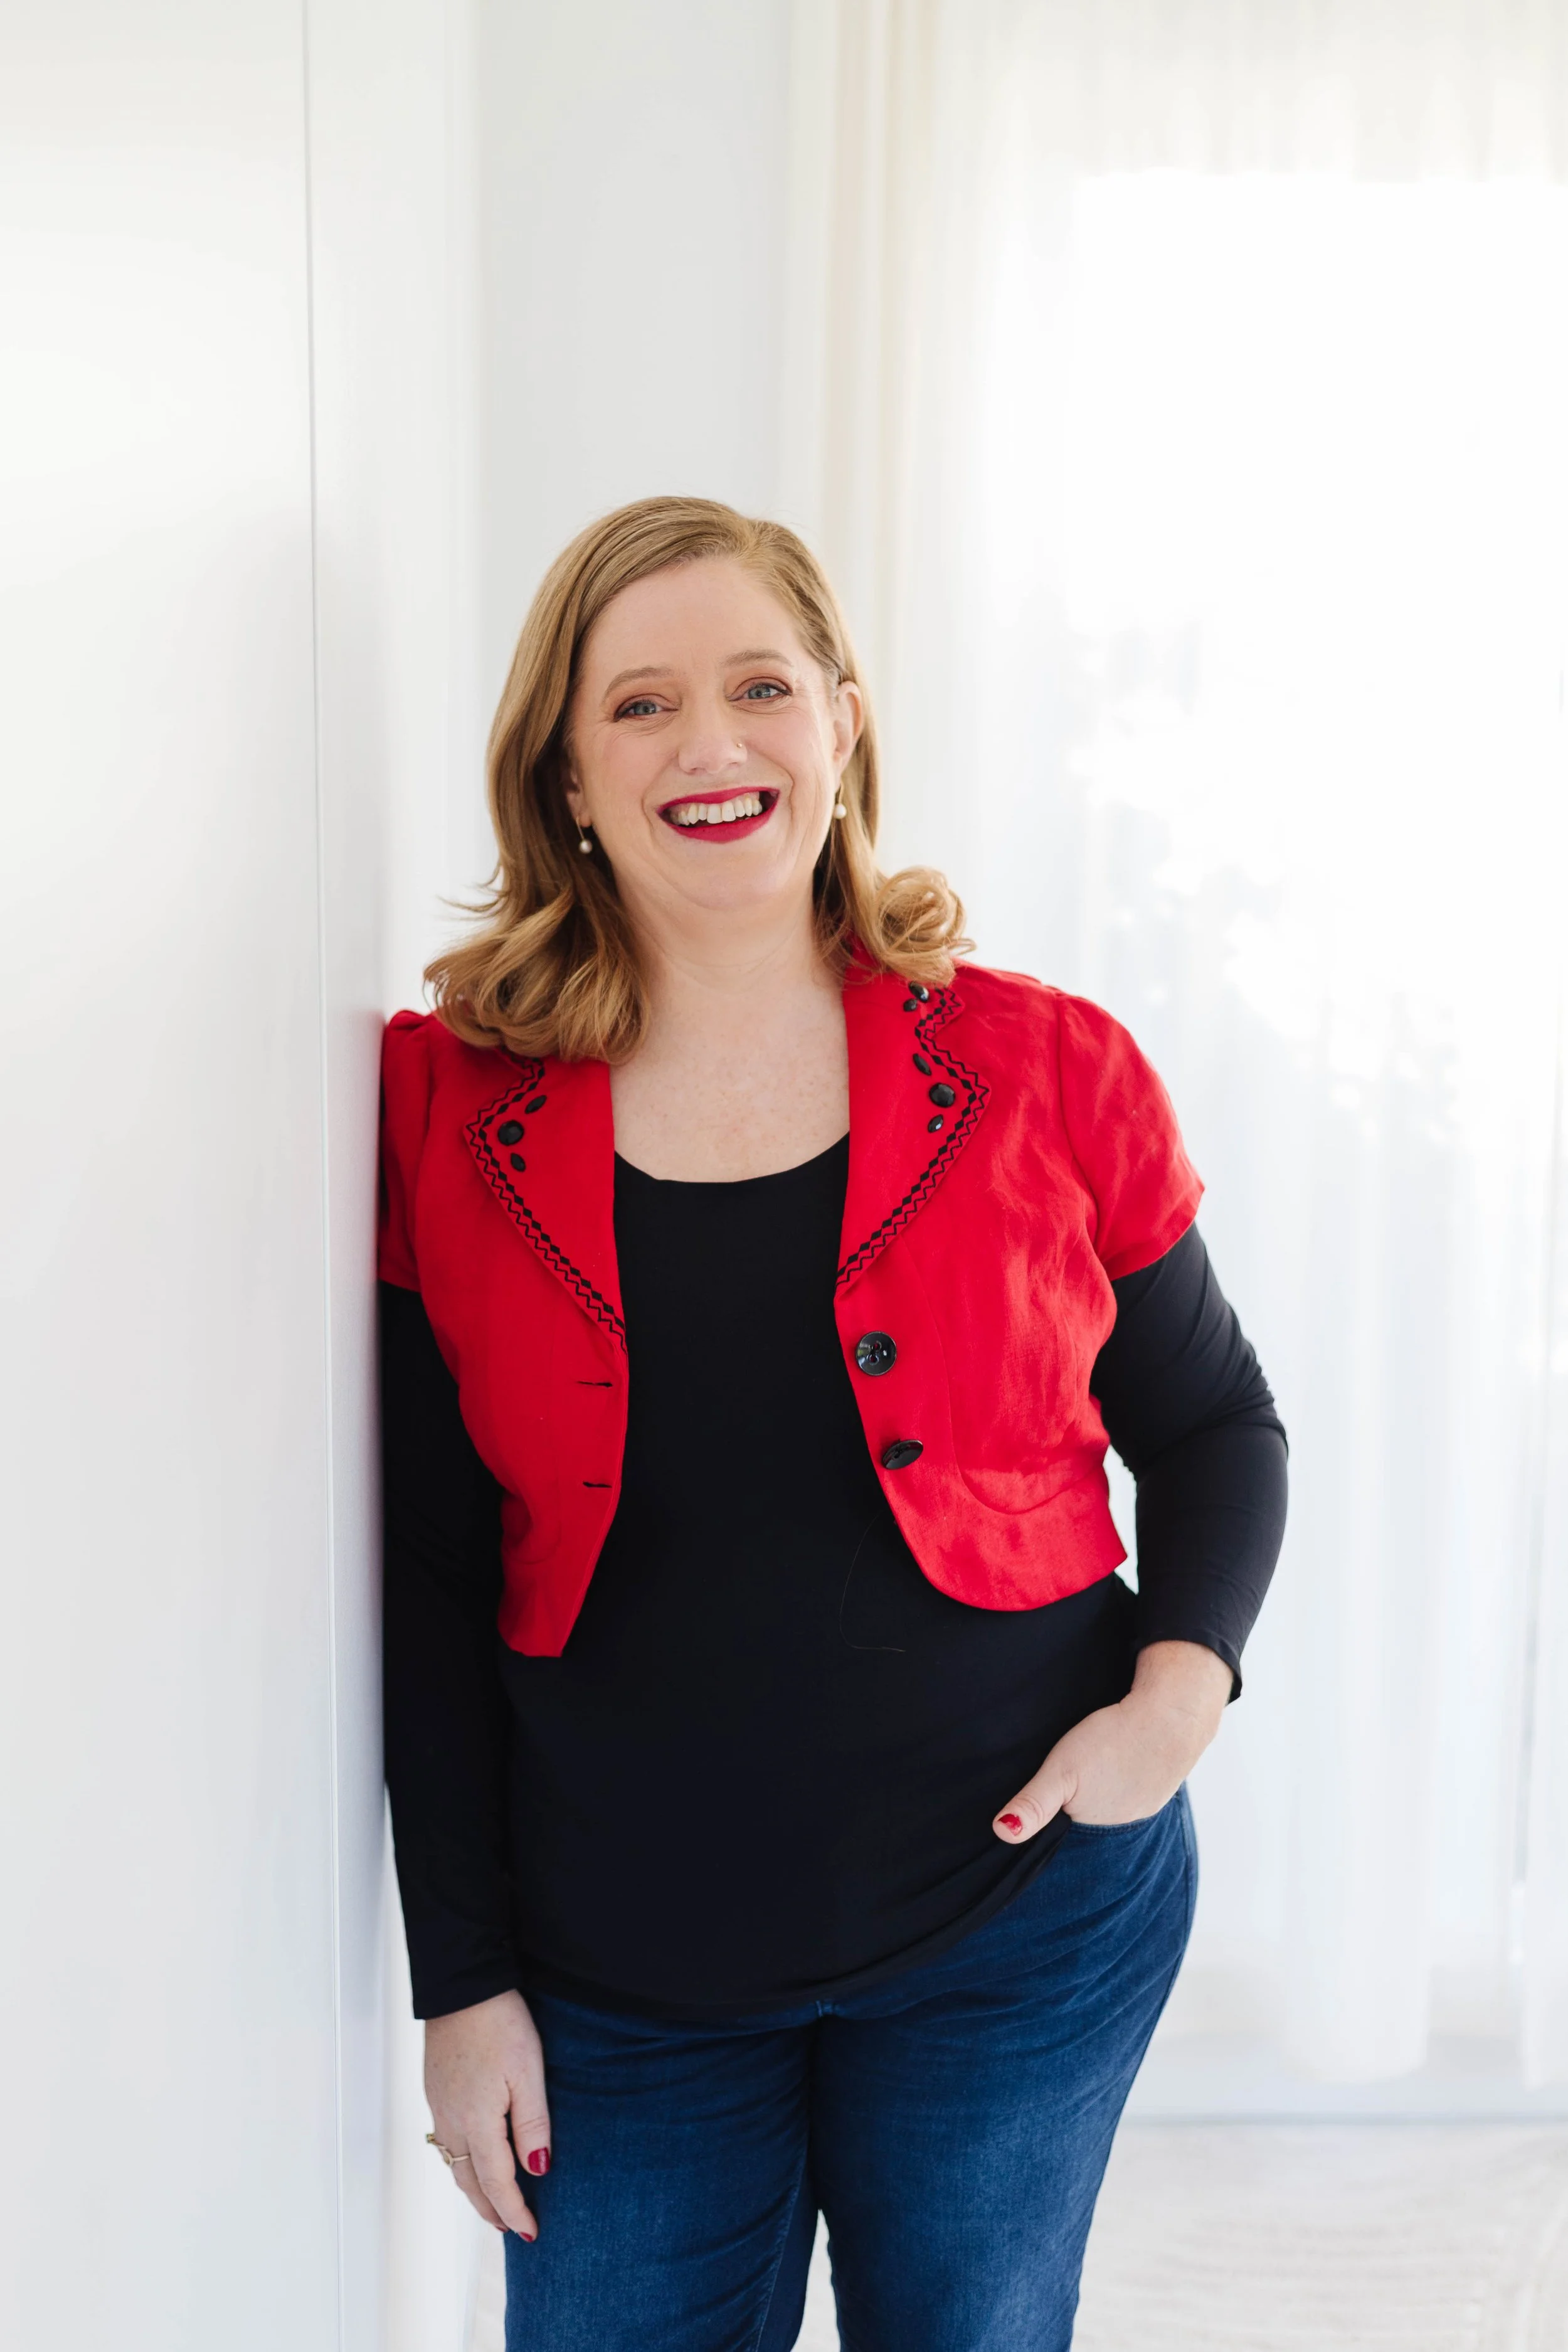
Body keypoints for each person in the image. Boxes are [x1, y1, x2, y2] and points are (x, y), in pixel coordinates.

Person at [379, 495, 1287, 2352]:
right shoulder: (437, 1110)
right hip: (615, 1972)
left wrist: (1173, 1703)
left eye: (757, 686)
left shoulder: (1047, 1064)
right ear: (559, 768)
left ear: (841, 724)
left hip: (1018, 1935)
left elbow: (1211, 1420)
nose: (707, 744)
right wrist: (457, 1979)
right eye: (635, 704)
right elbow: (425, 1568)